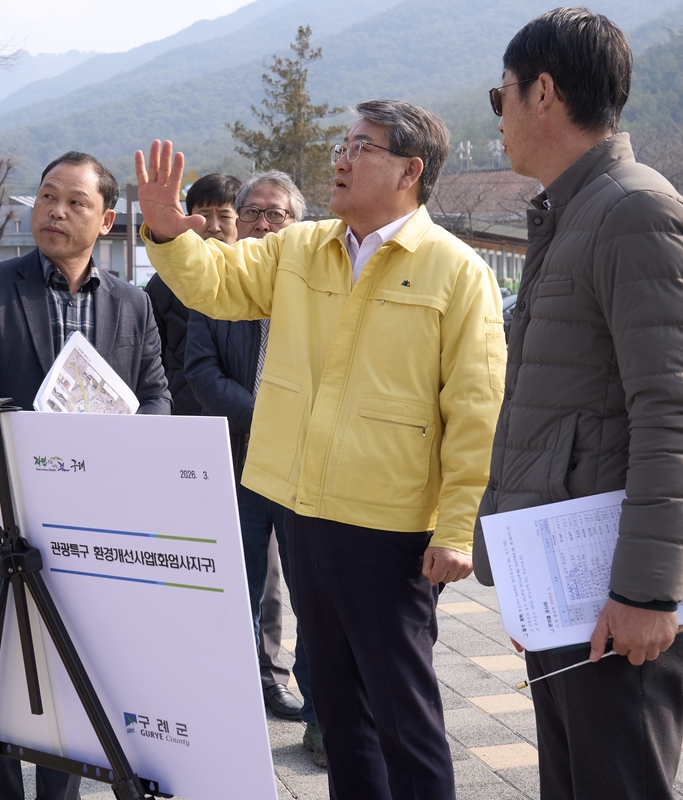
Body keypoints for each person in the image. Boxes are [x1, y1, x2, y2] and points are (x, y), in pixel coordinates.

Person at [136, 98, 505, 800]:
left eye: (360, 147)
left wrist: (457, 529)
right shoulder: (301, 247)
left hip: (392, 531)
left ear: (409, 169)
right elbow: (215, 285)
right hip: (305, 513)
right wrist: (165, 230)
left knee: (406, 718)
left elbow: (475, 409)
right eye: (342, 143)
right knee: (336, 714)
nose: (341, 157)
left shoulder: (455, 272)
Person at [472, 9, 683, 800]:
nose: (500, 115)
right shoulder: (574, 213)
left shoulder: (635, 212)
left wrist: (648, 592)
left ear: (542, 92)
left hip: (624, 604)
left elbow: (676, 417)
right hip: (575, 594)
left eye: (500, 95)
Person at [0, 150, 171, 800]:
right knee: (8, 670)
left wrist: (125, 443)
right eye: (47, 197)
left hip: (95, 518)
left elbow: (156, 393)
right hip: (8, 510)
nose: (56, 211)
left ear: (106, 221)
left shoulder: (132, 304)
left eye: (75, 202)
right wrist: (44, 442)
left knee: (77, 670)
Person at [183, 169, 323, 764]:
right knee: (227, 598)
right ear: (236, 222)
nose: (263, 223)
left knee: (314, 601)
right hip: (233, 467)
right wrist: (268, 415)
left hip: (302, 476)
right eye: (253, 213)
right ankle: (228, 719)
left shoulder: (320, 290)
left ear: (298, 225)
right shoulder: (218, 288)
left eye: (277, 214)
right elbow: (201, 372)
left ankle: (321, 721)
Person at [145, 173, 241, 417]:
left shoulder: (253, 281)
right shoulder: (164, 282)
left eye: (225, 216)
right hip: (181, 413)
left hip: (240, 417)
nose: (214, 225)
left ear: (240, 221)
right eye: (204, 215)